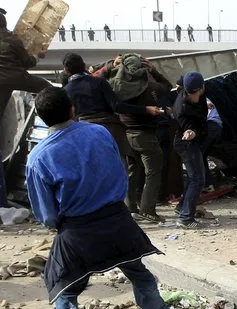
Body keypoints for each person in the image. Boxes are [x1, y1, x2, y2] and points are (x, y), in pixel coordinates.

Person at [26, 87, 174, 309]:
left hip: (77, 231)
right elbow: (119, 170)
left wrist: (60, 226)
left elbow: (46, 214)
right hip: (117, 221)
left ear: (43, 120)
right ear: (71, 109)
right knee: (138, 272)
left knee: (64, 290)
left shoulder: (38, 157)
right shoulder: (98, 133)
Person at [62, 53, 162, 167]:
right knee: (117, 168)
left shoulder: (65, 91)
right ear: (84, 65)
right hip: (110, 131)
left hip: (84, 135)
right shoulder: (99, 82)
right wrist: (146, 109)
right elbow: (117, 106)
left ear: (66, 70)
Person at [109, 54, 173, 222]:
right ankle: (148, 210)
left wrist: (111, 66)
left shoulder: (116, 88)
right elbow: (167, 86)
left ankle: (131, 209)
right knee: (152, 172)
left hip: (125, 135)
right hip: (146, 136)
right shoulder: (150, 88)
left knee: (131, 172)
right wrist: (155, 71)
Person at [173, 71, 208, 228]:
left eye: (196, 93)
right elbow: (189, 127)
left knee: (194, 177)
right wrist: (192, 132)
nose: (194, 97)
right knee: (198, 179)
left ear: (202, 88)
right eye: (190, 94)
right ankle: (185, 218)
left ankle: (182, 207)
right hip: (185, 142)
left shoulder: (197, 93)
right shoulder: (182, 108)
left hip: (192, 140)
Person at [0, 10, 50, 121]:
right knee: (48, 89)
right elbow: (27, 63)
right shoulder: (12, 40)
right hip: (17, 78)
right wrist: (38, 56)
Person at [201, 98, 224, 191]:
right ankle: (209, 183)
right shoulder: (202, 98)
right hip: (215, 127)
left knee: (198, 155)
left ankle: (207, 184)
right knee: (202, 156)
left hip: (211, 126)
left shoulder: (200, 99)